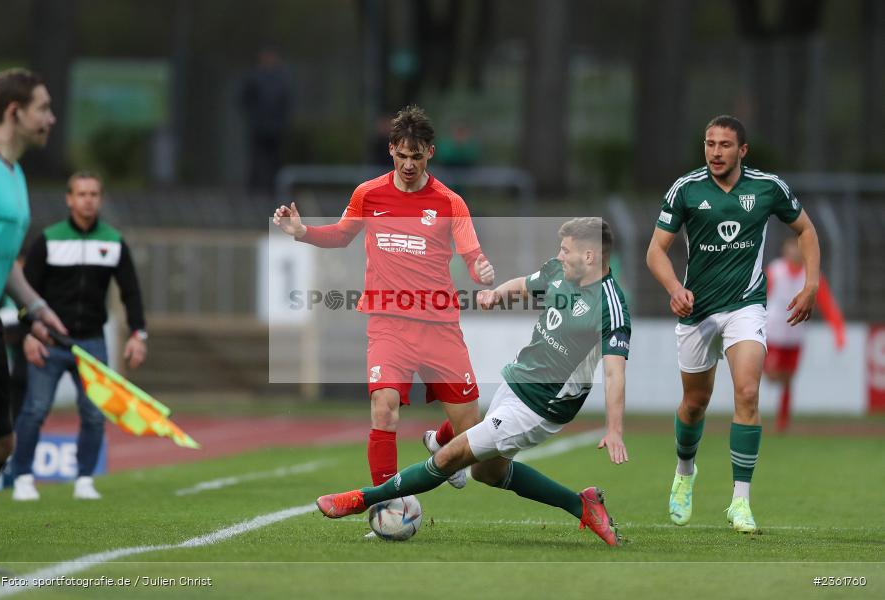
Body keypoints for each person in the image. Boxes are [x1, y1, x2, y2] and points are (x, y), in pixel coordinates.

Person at [315, 218, 630, 547]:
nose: (559, 256)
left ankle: (362, 499)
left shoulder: (610, 307)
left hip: (541, 406)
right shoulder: (559, 271)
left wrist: (615, 429)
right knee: (487, 472)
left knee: (451, 457)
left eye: (566, 251)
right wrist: (496, 295)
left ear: (591, 256)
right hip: (516, 382)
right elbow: (524, 285)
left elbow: (614, 372)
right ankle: (583, 505)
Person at [273, 106, 495, 499]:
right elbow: (342, 235)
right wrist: (302, 231)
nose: (408, 164)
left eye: (417, 155)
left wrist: (482, 272)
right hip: (388, 324)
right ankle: (386, 504)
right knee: (384, 409)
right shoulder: (368, 194)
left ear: (430, 152)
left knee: (470, 428)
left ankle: (442, 443)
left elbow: (472, 256)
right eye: (402, 155)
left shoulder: (450, 202)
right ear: (391, 149)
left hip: (439, 326)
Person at [646, 115, 820, 534]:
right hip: (697, 310)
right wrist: (674, 288)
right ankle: (684, 473)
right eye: (709, 144)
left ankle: (740, 502)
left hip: (746, 306)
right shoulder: (685, 189)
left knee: (747, 391)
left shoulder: (767, 187)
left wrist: (812, 284)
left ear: (742, 151)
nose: (715, 152)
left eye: (725, 145)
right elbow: (656, 250)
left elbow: (806, 230)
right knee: (694, 404)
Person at [11, 171, 148, 501]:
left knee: (92, 412)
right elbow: (24, 292)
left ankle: (85, 478)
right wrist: (29, 334)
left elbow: (131, 292)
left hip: (92, 341)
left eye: (94, 194)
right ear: (69, 199)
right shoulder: (49, 239)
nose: (88, 200)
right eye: (81, 194)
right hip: (50, 340)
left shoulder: (113, 241)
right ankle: (23, 477)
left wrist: (137, 334)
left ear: (100, 199)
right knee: (35, 409)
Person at [0, 68, 67, 512]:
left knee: (1, 442)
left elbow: (5, 259)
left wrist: (36, 307)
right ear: (14, 112)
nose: (52, 118)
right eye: (44, 108)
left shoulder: (13, 172)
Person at [765, 237, 845, 432]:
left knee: (788, 379)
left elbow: (827, 304)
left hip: (795, 336)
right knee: (773, 375)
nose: (794, 251)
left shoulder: (812, 277)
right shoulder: (775, 270)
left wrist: (838, 331)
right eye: (791, 246)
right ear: (785, 249)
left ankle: (783, 422)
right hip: (773, 334)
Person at [240, 47, 291, 194]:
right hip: (259, 126)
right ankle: (254, 189)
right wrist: (254, 116)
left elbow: (286, 102)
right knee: (256, 158)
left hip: (276, 127)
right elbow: (245, 99)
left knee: (275, 159)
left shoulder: (281, 79)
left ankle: (272, 189)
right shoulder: (253, 78)